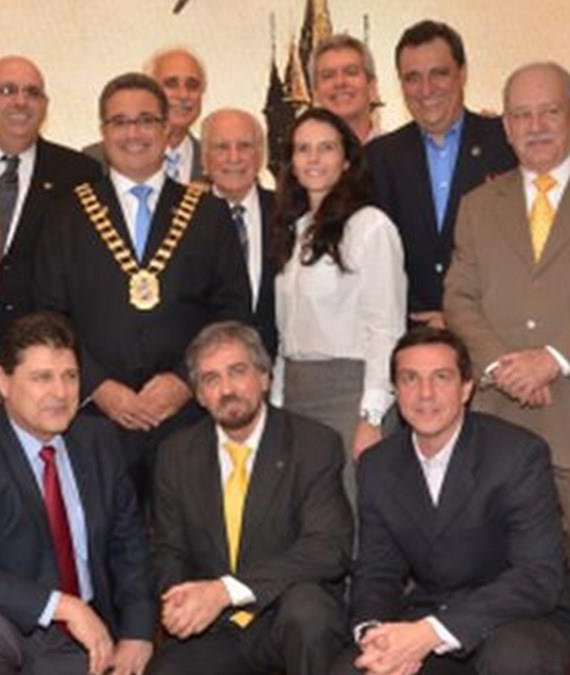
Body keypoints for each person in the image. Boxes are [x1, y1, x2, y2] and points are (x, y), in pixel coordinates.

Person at [444, 61, 570, 675]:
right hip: (501, 425)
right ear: (506, 127)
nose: (535, 126)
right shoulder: (478, 206)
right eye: (521, 115)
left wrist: (550, 362)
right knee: (504, 586)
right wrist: (500, 365)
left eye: (549, 111)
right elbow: (460, 297)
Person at [36, 72, 250, 503]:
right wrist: (98, 386)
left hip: (187, 417)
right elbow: (49, 314)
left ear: (167, 128)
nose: (133, 133)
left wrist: (185, 380)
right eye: (120, 122)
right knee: (103, 536)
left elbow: (231, 312)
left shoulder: (207, 213)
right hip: (96, 419)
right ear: (103, 131)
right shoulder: (67, 214)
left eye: (146, 120)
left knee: (189, 534)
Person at [330, 328, 570, 675]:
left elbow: (537, 576)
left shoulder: (517, 454)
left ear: (466, 388)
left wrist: (431, 633)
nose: (425, 393)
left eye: (441, 377)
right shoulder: (378, 464)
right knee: (353, 669)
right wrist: (375, 635)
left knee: (513, 656)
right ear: (396, 391)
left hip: (525, 618)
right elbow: (377, 570)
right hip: (432, 614)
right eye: (410, 379)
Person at [0, 311, 155, 675]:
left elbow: (129, 548)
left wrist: (137, 634)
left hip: (86, 638)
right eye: (42, 378)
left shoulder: (100, 442)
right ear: (3, 382)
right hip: (3, 626)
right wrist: (63, 607)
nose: (60, 393)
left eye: (70, 377)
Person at [149, 321, 352, 675]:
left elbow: (327, 549)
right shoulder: (175, 454)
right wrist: (180, 598)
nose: (227, 389)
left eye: (237, 371)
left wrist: (226, 591)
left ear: (264, 377)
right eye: (211, 379)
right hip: (215, 626)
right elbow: (169, 549)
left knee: (308, 611)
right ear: (199, 395)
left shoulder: (313, 445)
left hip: (285, 616)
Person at [271, 107, 406, 506]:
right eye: (303, 149)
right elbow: (285, 334)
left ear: (347, 160)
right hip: (297, 395)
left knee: (351, 509)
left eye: (326, 148)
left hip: (350, 393)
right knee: (305, 514)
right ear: (291, 163)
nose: (314, 159)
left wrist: (371, 415)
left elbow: (385, 328)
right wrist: (277, 402)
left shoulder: (370, 226)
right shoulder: (294, 230)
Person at [364, 20, 516, 329]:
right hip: (409, 340)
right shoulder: (377, 159)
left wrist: (460, 318)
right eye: (412, 78)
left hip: (493, 335)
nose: (426, 90)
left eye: (439, 74)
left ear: (462, 73)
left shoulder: (508, 145)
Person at [0, 55, 101, 343]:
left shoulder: (79, 175)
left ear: (45, 105)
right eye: (7, 90)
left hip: (39, 351)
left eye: (32, 92)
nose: (21, 101)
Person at [200, 108, 278, 357]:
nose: (234, 157)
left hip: (278, 367)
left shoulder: (288, 213)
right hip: (205, 367)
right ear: (204, 158)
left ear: (261, 155)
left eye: (245, 146)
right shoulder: (184, 219)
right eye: (222, 147)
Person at [85, 48, 206, 182]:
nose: (183, 95)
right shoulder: (93, 159)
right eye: (171, 84)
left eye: (192, 85)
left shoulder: (216, 160)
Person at [312, 34, 382, 145]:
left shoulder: (400, 151)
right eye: (328, 76)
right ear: (315, 92)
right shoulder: (300, 155)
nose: (340, 82)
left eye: (351, 72)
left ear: (371, 86)